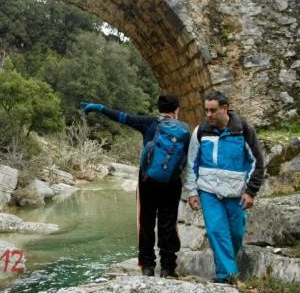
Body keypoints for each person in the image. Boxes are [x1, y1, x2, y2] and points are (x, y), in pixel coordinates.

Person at [81, 94, 190, 278]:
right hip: (172, 182)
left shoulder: (148, 122)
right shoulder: (184, 130)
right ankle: (168, 268)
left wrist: (100, 108)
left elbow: (122, 117)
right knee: (168, 223)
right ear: (176, 110)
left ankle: (147, 267)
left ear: (159, 109)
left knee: (146, 222)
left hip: (147, 181)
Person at [184, 90, 265, 284]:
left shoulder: (243, 130)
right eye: (206, 111)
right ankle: (228, 276)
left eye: (213, 110)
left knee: (236, 233)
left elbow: (257, 161)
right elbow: (191, 163)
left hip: (236, 193)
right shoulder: (200, 131)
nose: (208, 115)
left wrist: (251, 191)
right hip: (209, 191)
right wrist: (193, 191)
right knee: (216, 230)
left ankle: (224, 271)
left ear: (225, 109)